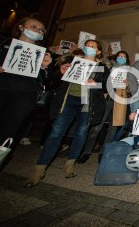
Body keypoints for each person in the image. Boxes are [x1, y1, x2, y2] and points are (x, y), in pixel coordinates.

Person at [24, 39, 110, 187]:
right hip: (68, 99)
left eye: (93, 46)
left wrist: (94, 83)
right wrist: (61, 72)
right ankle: (40, 169)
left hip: (87, 102)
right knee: (56, 132)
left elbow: (107, 85)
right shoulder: (73, 61)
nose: (89, 48)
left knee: (81, 132)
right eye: (87, 45)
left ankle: (70, 163)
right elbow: (53, 80)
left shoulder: (101, 66)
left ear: (98, 51)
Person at [0, 17, 51, 143]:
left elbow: (48, 79)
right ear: (21, 27)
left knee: (6, 133)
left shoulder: (44, 53)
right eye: (34, 27)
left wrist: (44, 67)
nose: (38, 31)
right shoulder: (1, 43)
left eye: (42, 30)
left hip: (24, 93)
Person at [78, 50, 131, 163]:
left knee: (112, 128)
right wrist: (108, 81)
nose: (121, 58)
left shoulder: (129, 72)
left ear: (127, 60)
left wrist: (127, 85)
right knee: (96, 127)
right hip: (105, 99)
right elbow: (99, 82)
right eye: (119, 56)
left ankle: (104, 152)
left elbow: (131, 90)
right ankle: (87, 152)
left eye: (124, 57)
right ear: (116, 58)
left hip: (119, 101)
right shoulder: (108, 68)